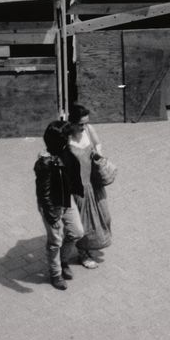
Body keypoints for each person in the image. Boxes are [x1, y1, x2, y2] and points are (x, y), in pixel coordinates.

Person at [34, 120, 84, 291]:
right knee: (55, 241)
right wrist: (50, 215)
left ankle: (63, 261)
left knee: (77, 232)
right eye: (67, 137)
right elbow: (43, 193)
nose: (70, 139)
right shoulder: (45, 163)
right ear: (60, 140)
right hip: (52, 205)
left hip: (66, 199)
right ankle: (55, 274)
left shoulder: (65, 151)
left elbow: (73, 172)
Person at [67, 104, 110, 266]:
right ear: (72, 123)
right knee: (85, 223)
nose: (84, 127)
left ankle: (90, 245)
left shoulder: (89, 130)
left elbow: (98, 144)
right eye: (81, 124)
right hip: (78, 188)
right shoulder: (66, 138)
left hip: (94, 183)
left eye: (86, 123)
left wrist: (98, 153)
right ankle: (83, 253)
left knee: (105, 217)